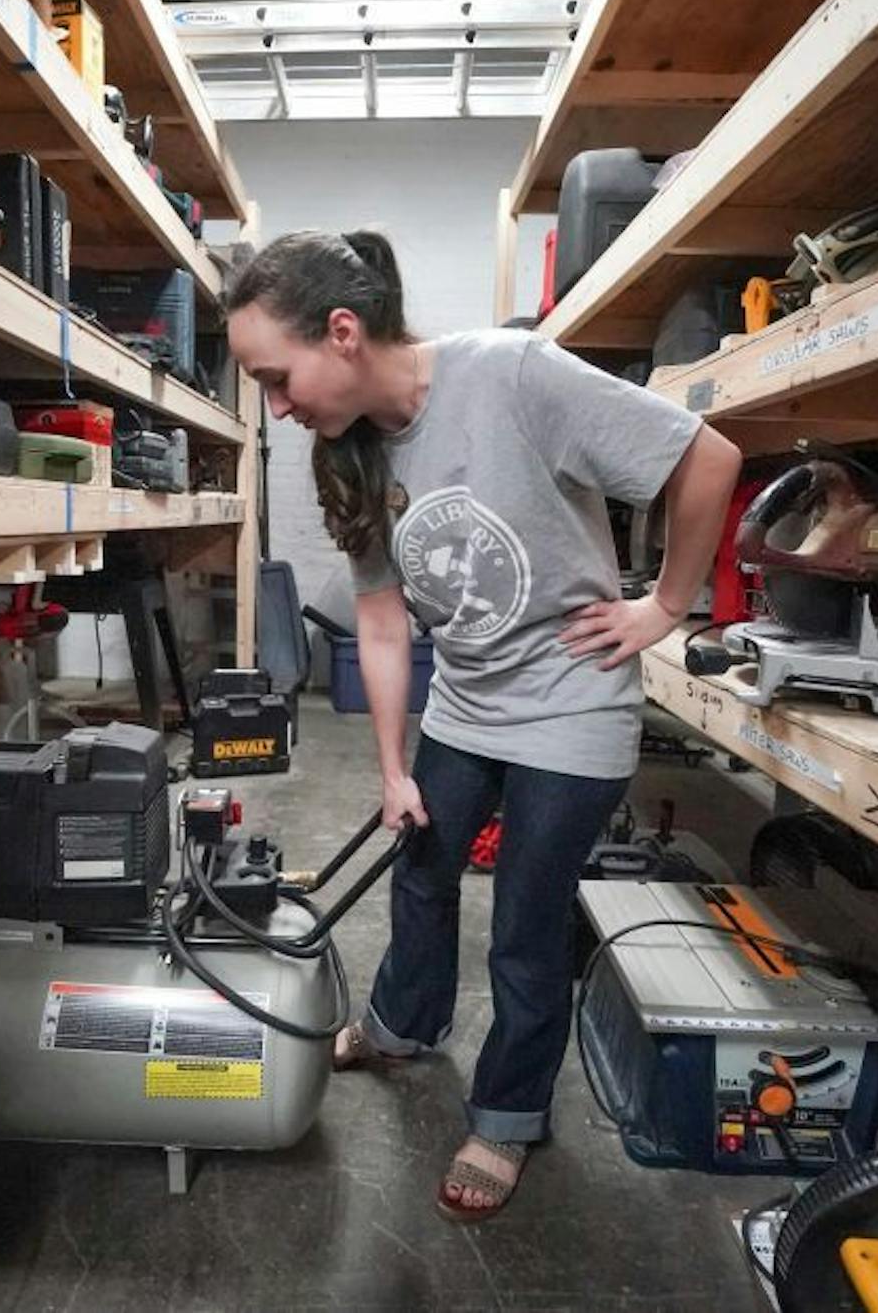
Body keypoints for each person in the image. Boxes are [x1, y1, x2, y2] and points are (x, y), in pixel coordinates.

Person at [224, 229, 743, 1221]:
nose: (278, 408)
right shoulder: (352, 454)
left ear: (343, 333)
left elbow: (708, 459)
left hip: (573, 704)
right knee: (421, 872)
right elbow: (383, 624)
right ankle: (402, 1025)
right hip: (466, 704)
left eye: (276, 379)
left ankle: (506, 1115)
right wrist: (393, 769)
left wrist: (667, 607)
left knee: (524, 926)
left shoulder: (512, 374)